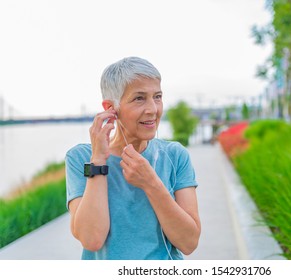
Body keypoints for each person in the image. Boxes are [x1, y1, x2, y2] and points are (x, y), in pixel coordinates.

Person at [65, 56, 201, 260]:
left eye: (157, 96)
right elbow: (91, 239)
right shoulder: (81, 158)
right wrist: (98, 162)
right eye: (139, 98)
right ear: (110, 108)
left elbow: (189, 243)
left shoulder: (175, 155)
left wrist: (151, 183)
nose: (153, 109)